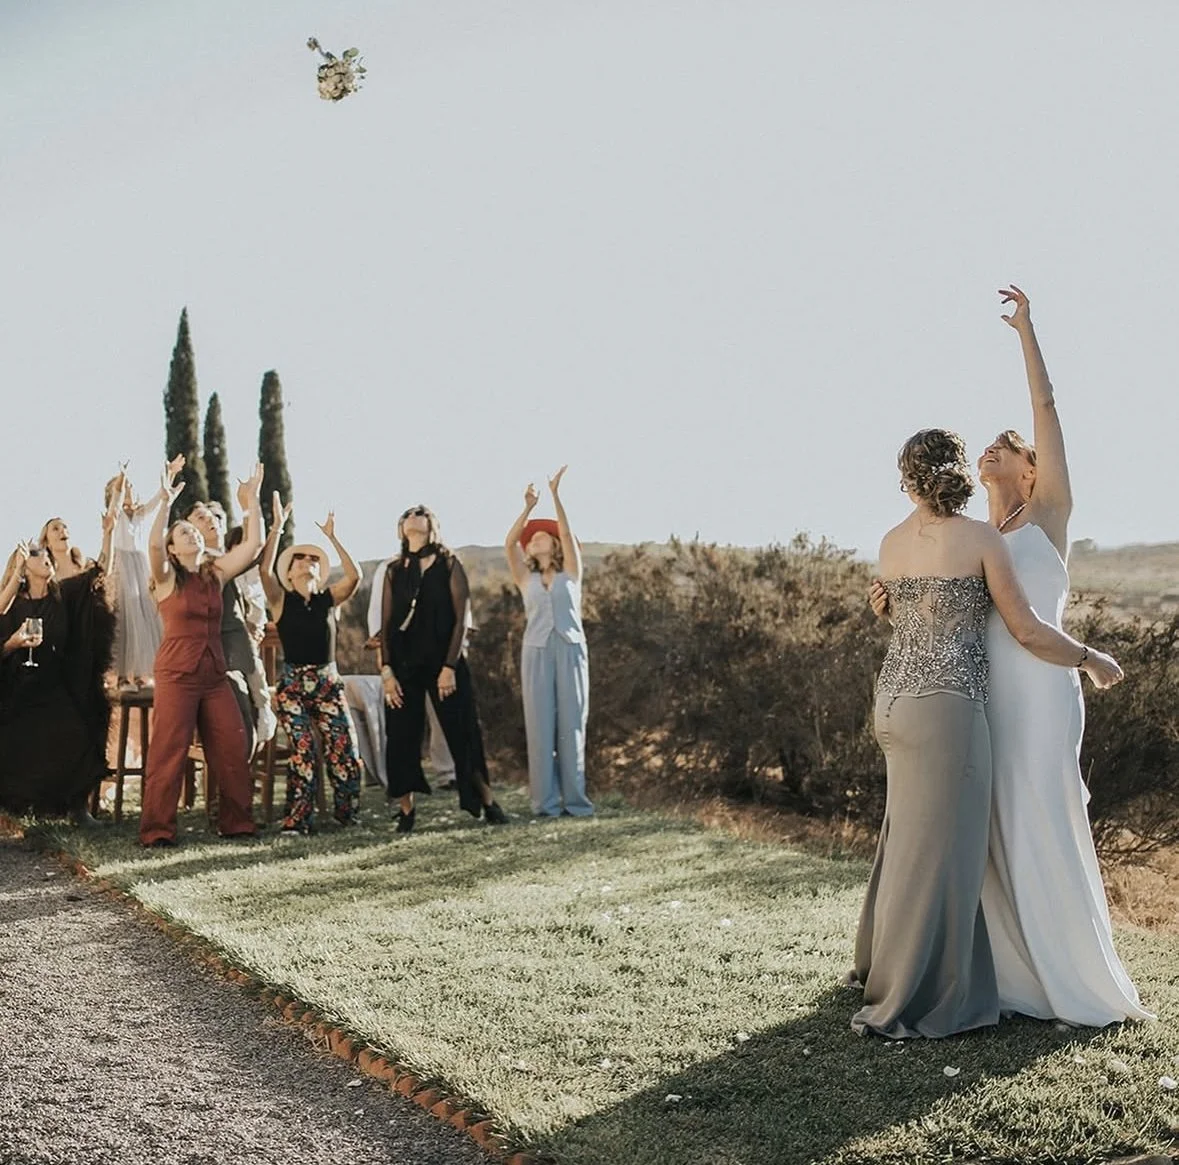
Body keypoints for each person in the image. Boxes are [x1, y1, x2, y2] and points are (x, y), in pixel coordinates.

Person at [870, 287, 1153, 1029]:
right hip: (979, 691)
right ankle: (1007, 978)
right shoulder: (970, 533)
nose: (995, 446)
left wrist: (1026, 332)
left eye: (1012, 446)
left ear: (1031, 470)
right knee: (988, 828)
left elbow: (1047, 411)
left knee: (1039, 817)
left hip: (1041, 687)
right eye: (987, 443)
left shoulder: (1047, 514)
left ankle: (1070, 980)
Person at [852, 428, 1123, 1039]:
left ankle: (880, 968)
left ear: (906, 477)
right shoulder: (978, 538)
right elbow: (1024, 629)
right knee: (948, 855)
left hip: (893, 702)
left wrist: (891, 611)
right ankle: (919, 993)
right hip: (946, 706)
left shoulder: (891, 543)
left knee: (905, 840)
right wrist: (1088, 657)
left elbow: (917, 618)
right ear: (959, 473)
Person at [138, 461, 264, 847]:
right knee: (168, 752)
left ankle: (237, 824)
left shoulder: (215, 573)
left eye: (193, 530)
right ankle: (157, 830)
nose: (192, 533)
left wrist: (251, 501)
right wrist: (164, 500)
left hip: (214, 675)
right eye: (184, 532)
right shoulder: (165, 578)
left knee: (232, 743)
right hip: (177, 674)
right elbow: (154, 544)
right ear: (174, 549)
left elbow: (253, 545)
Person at [379, 504, 507, 833]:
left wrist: (450, 665)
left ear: (431, 525)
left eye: (421, 513)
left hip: (443, 661)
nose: (413, 517)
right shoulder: (394, 570)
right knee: (401, 736)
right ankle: (406, 812)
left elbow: (461, 618)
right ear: (401, 526)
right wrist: (387, 671)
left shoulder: (449, 563)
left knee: (463, 731)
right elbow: (387, 625)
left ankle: (488, 802)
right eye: (408, 513)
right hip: (404, 664)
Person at [0, 514, 117, 822]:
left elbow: (98, 571)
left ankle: (77, 809)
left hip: (54, 685)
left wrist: (109, 532)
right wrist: (12, 643)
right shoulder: (14, 605)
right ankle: (27, 810)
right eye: (37, 555)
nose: (46, 559)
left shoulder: (63, 597)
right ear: (25, 566)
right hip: (18, 686)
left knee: (76, 736)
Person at [259, 495, 363, 834]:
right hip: (292, 688)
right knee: (303, 748)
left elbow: (355, 576)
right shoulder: (280, 601)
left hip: (328, 684)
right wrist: (277, 526)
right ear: (289, 572)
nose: (307, 563)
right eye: (299, 559)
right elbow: (263, 569)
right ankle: (297, 821)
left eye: (313, 560)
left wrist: (333, 539)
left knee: (344, 747)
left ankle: (347, 815)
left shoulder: (327, 600)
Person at [504, 466, 592, 817]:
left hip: (571, 650)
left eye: (544, 534)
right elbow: (509, 543)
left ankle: (576, 802)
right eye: (533, 535)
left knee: (572, 726)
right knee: (540, 728)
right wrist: (527, 508)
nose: (536, 537)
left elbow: (568, 533)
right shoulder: (525, 577)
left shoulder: (572, 571)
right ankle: (546, 804)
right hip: (536, 654)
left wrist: (555, 496)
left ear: (555, 544)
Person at [366, 556, 456, 788]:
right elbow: (379, 610)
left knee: (442, 710)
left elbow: (456, 604)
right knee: (403, 715)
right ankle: (406, 777)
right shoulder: (388, 567)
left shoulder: (444, 564)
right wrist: (382, 653)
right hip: (401, 653)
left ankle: (448, 773)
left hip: (438, 648)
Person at [104, 461, 169, 689]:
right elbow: (115, 500)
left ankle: (142, 673)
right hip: (122, 566)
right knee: (124, 615)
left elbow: (158, 500)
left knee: (144, 615)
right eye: (125, 486)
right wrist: (121, 478)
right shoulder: (116, 515)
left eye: (130, 485)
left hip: (139, 566)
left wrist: (169, 474)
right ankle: (122, 676)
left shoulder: (139, 514)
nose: (130, 488)